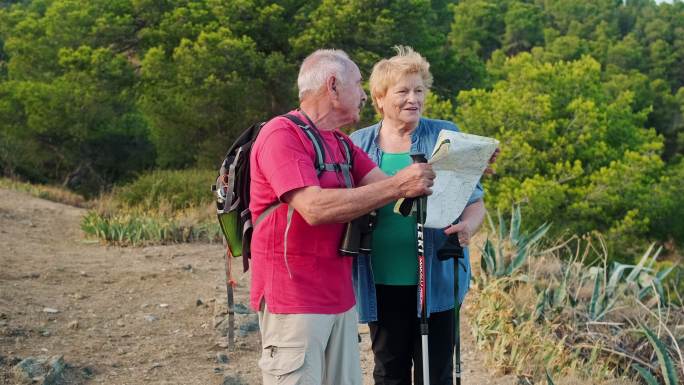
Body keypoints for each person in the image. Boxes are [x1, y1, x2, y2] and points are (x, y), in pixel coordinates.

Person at [249, 49, 437, 385]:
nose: (365, 94)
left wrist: (466, 166)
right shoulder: (281, 135)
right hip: (294, 303)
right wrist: (398, 185)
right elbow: (314, 208)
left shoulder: (340, 142)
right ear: (333, 86)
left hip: (340, 301)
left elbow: (396, 193)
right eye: (359, 84)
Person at [350, 46, 493, 385]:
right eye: (403, 91)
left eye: (419, 90)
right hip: (380, 278)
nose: (413, 98)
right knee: (389, 372)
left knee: (436, 374)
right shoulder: (358, 144)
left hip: (437, 280)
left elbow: (474, 203)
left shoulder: (444, 135)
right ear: (380, 98)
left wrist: (467, 229)